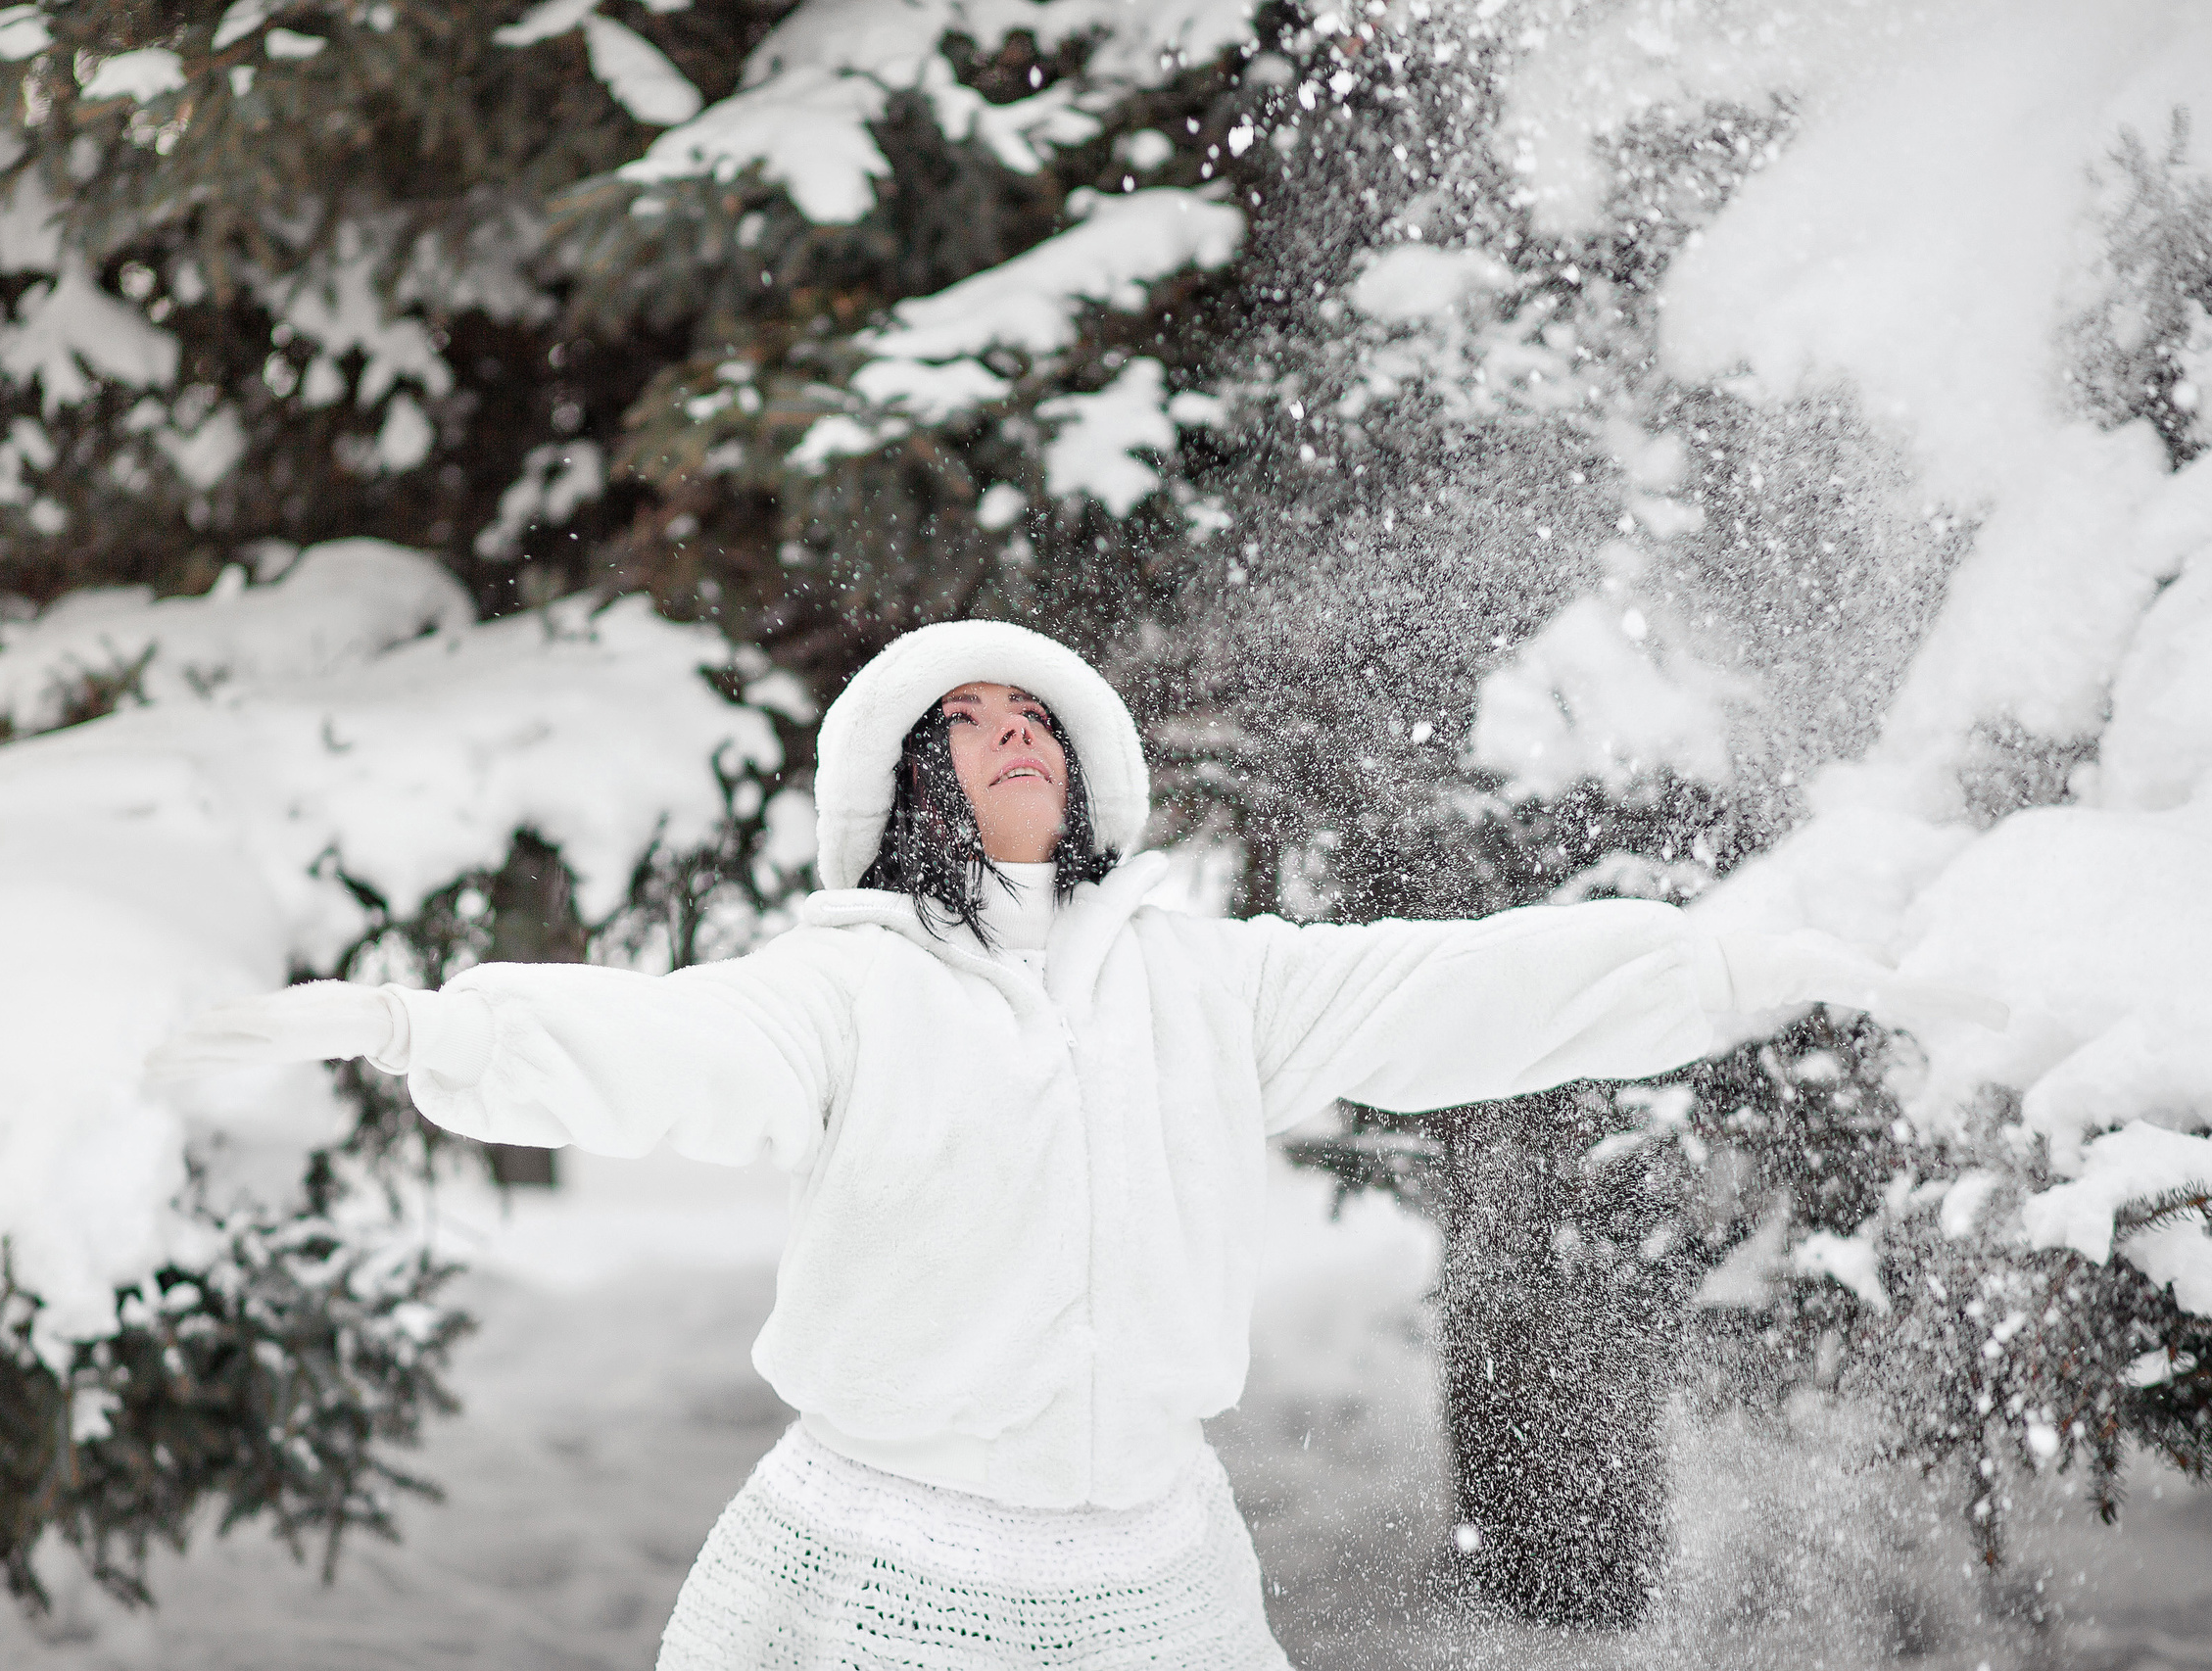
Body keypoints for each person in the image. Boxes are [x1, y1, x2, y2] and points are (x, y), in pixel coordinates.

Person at [155, 619, 2000, 1670]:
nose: (1004, 728)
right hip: (886, 1572)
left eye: (1030, 706)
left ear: (1093, 769)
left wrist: (1729, 967)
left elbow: (1465, 991)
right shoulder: (844, 991)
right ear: (900, 794)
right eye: (957, 720)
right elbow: (669, 1048)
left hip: (1147, 1575)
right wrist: (426, 1030)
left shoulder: (1207, 982)